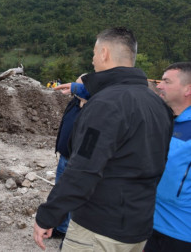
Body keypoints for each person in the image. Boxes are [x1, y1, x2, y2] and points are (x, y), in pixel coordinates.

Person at [33, 27, 174, 251]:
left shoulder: (106, 104)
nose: (92, 60)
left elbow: (83, 169)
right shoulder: (157, 103)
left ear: (105, 53)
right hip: (138, 227)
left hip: (99, 229)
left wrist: (48, 215)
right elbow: (159, 162)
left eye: (94, 53)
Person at [144, 62, 191, 252]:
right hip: (147, 223)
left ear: (188, 89)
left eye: (166, 81)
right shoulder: (163, 120)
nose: (159, 85)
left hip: (180, 233)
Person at [52, 74, 88, 239]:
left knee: (73, 195)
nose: (75, 89)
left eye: (79, 86)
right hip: (64, 157)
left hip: (78, 162)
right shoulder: (74, 103)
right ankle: (59, 227)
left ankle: (69, 230)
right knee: (60, 192)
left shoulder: (93, 108)